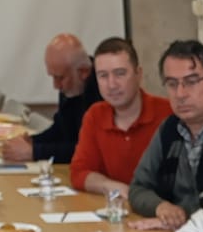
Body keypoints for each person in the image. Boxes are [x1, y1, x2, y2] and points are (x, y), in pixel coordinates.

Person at [127, 39, 203, 230]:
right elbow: (138, 188)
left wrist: (185, 221)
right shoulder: (169, 130)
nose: (180, 94)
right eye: (172, 84)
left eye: (191, 82)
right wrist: (161, 207)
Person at [67, 37, 171, 197]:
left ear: (138, 74)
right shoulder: (95, 115)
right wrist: (111, 186)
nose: (112, 84)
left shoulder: (168, 113)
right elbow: (78, 172)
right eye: (103, 76)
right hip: (117, 206)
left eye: (120, 73)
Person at [0, 33, 100, 165]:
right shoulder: (71, 85)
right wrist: (32, 141)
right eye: (52, 77)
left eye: (60, 78)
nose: (56, 86)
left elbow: (89, 149)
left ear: (84, 72)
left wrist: (34, 152)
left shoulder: (103, 92)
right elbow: (60, 129)